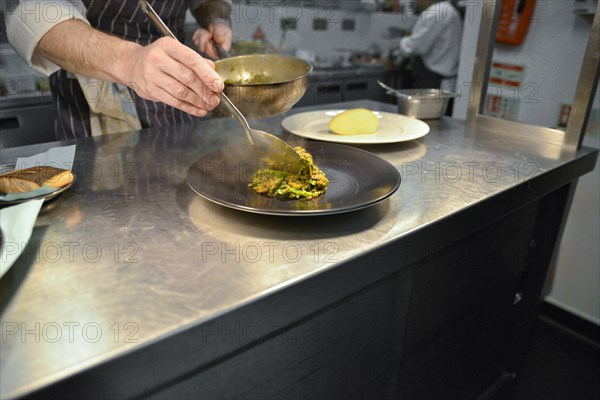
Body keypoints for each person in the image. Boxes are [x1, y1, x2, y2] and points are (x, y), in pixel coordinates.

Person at [4, 0, 233, 139]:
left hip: (176, 87)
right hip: (93, 89)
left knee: (180, 183)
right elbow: (28, 11)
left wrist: (216, 17)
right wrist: (130, 60)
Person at [397, 0, 463, 92]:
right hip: (442, 79)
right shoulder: (448, 10)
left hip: (433, 81)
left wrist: (401, 43)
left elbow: (415, 47)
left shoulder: (437, 11)